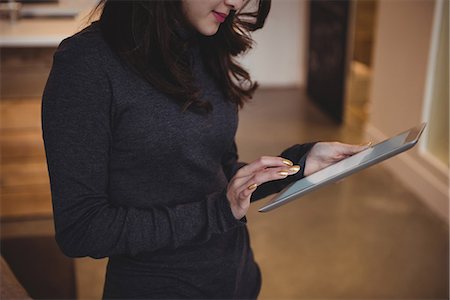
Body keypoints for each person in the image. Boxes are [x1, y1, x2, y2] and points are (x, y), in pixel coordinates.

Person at [41, 0, 369, 298]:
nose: (237, 2)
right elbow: (82, 228)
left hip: (238, 280)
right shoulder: (87, 64)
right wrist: (218, 212)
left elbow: (216, 173)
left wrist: (298, 164)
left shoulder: (205, 43)